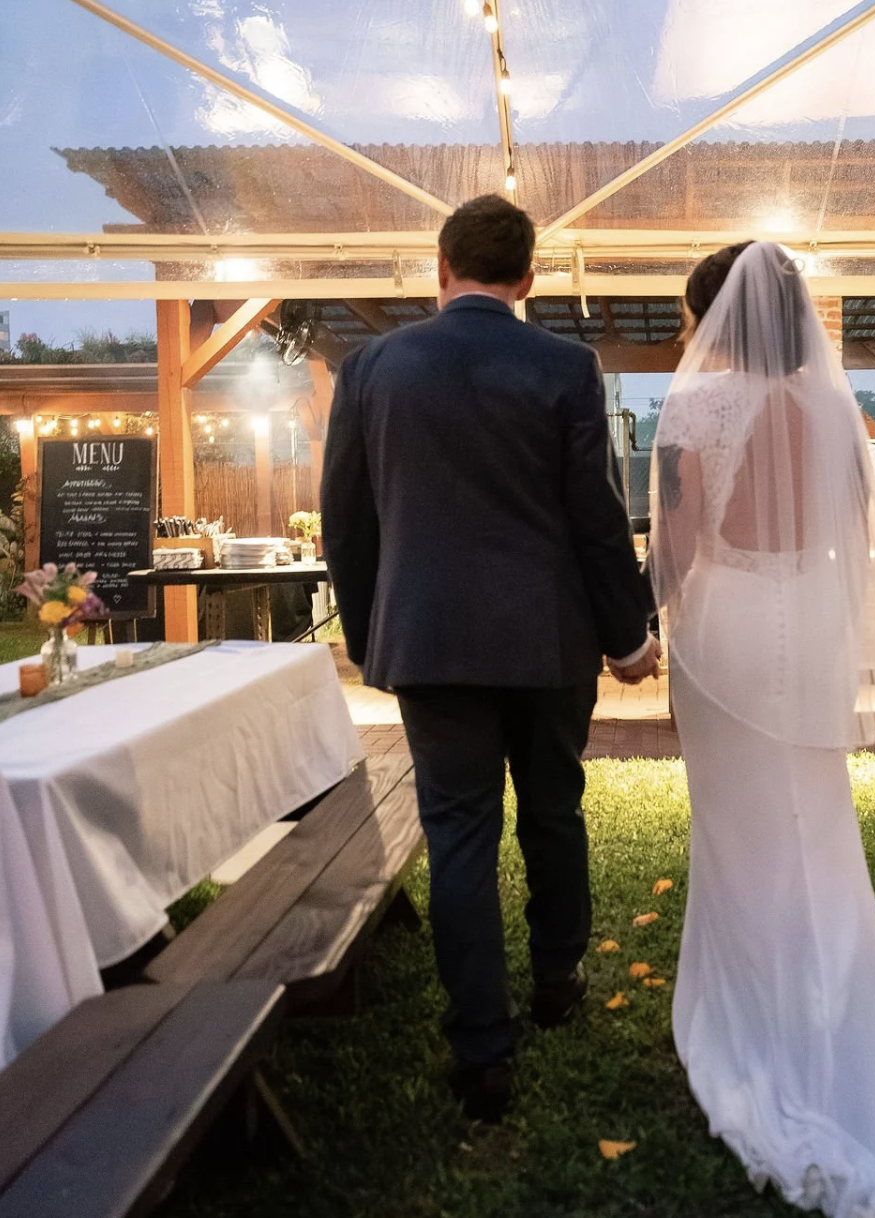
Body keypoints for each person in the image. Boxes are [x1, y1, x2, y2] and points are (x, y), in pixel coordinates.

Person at [321, 194, 659, 1123]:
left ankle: (481, 1051)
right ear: (529, 279)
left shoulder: (372, 368)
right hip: (548, 642)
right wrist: (628, 635)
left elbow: (347, 524)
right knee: (554, 809)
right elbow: (597, 516)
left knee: (458, 832)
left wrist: (366, 633)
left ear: (441, 267)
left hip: (427, 641)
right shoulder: (564, 365)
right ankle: (557, 979)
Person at [648, 241, 875, 1218]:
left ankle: (751, 1024)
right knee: (814, 829)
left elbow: (673, 547)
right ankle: (830, 1005)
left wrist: (640, 633)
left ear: (713, 315)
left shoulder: (689, 409)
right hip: (812, 625)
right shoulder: (838, 410)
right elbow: (860, 542)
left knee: (736, 828)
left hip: (727, 627)